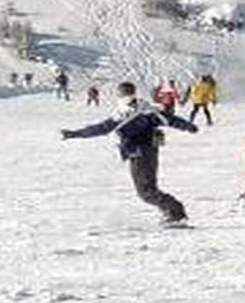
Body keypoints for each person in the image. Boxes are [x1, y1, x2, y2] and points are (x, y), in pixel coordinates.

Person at [61, 82, 198, 224]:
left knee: (146, 191)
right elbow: (168, 119)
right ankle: (172, 211)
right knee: (148, 189)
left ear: (121, 95)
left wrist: (75, 134)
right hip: (147, 151)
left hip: (139, 153)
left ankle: (175, 212)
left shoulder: (126, 112)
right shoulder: (144, 108)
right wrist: (188, 126)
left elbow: (102, 128)